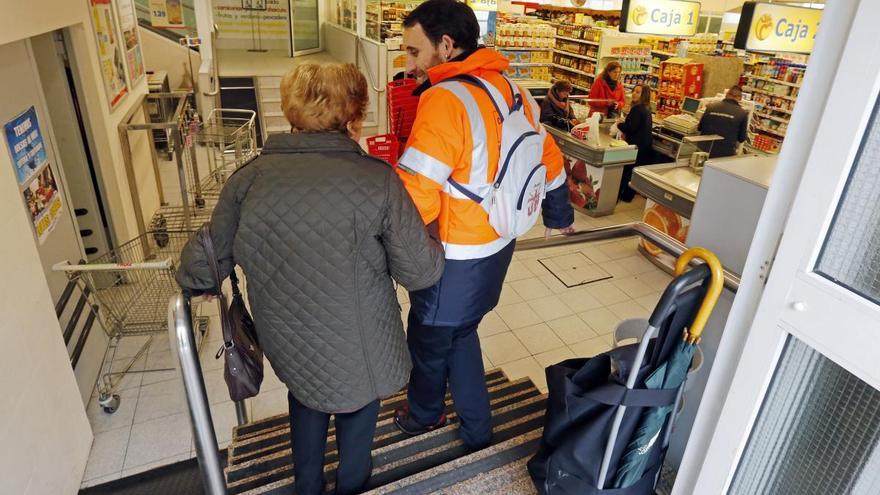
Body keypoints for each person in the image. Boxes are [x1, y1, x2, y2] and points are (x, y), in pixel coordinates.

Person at [175, 63, 445, 495]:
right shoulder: (376, 181)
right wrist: (435, 238)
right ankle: (353, 484)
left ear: (291, 111)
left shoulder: (246, 181)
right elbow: (419, 272)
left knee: (307, 394)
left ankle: (307, 484)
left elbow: (198, 270)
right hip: (360, 337)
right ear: (354, 116)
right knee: (357, 407)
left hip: (288, 337)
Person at [394, 0, 575, 451]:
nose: (409, 64)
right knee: (463, 331)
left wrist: (389, 250)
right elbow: (549, 156)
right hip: (498, 246)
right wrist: (559, 215)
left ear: (447, 45)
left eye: (415, 52)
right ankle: (477, 431)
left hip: (452, 257)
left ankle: (424, 414)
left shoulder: (445, 100)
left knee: (430, 342)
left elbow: (416, 189)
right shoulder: (515, 91)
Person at [615, 84, 654, 202]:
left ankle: (625, 195)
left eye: (638, 92)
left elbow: (630, 128)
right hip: (644, 145)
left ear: (644, 95)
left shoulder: (637, 109)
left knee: (628, 171)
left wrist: (619, 124)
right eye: (634, 91)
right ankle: (628, 195)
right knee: (633, 171)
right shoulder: (647, 108)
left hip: (636, 145)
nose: (634, 94)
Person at [698, 85, 749, 158]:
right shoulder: (742, 113)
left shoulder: (710, 107)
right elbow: (742, 138)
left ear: (726, 95)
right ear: (740, 98)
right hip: (724, 154)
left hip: (702, 151)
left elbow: (700, 128)